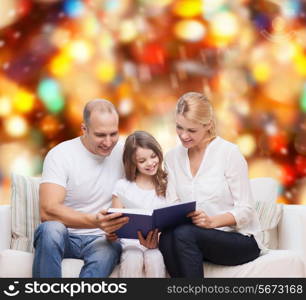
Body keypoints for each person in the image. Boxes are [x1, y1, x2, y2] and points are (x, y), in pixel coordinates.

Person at [159, 92, 263, 278]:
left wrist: (211, 222)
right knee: (167, 238)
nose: (183, 136)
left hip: (239, 239)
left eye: (191, 130)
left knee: (184, 234)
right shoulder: (172, 158)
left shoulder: (229, 153)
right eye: (179, 127)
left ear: (207, 125)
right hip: (193, 238)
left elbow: (246, 210)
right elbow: (172, 204)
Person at [33, 99, 129, 278]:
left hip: (103, 239)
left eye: (113, 134)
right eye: (100, 135)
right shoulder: (61, 155)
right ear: (84, 129)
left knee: (109, 248)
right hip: (66, 236)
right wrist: (95, 221)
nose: (108, 142)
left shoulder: (125, 153)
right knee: (50, 229)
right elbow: (48, 211)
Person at [109, 131, 167, 277]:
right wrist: (110, 234)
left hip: (156, 245)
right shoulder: (122, 186)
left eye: (153, 156)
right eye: (142, 161)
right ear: (133, 163)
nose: (150, 163)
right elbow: (113, 223)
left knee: (155, 257)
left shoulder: (167, 184)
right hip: (130, 245)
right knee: (133, 257)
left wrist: (157, 241)